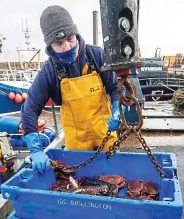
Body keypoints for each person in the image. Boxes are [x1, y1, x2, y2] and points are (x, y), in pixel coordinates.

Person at [21, 5, 121, 174]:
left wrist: (118, 108)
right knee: (81, 179)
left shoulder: (96, 56)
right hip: (77, 141)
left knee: (114, 174)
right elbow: (30, 108)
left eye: (70, 38)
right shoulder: (49, 71)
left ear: (76, 34)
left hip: (105, 131)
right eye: (59, 43)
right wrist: (36, 149)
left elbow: (115, 88)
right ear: (50, 46)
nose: (66, 46)